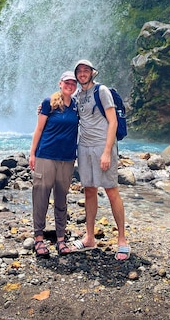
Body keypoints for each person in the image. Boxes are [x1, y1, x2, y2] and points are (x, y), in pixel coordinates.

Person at [72, 59, 130, 261]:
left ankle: (122, 239)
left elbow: (113, 121)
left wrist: (107, 152)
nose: (82, 74)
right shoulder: (77, 95)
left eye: (86, 70)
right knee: (89, 190)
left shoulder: (101, 91)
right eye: (79, 71)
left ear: (92, 73)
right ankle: (89, 237)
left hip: (102, 146)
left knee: (112, 190)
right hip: (84, 147)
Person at [29, 71, 78, 258]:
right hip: (46, 155)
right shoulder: (49, 102)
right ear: (60, 83)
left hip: (67, 158)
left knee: (61, 198)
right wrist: (32, 153)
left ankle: (60, 238)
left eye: (73, 83)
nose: (70, 85)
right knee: (41, 196)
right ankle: (39, 238)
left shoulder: (77, 105)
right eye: (67, 82)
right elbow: (39, 129)